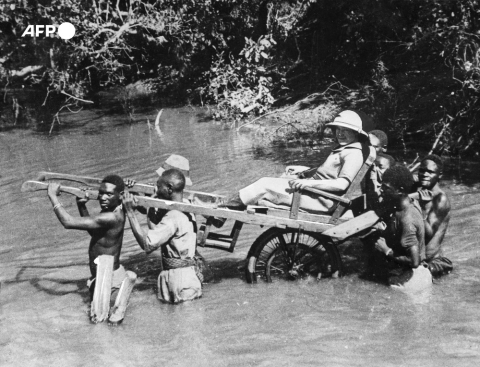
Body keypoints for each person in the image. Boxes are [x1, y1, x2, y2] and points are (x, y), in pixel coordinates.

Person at [222, 110, 371, 214]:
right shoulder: (344, 149)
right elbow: (327, 173)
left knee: (263, 184)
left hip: (321, 200)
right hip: (317, 194)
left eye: (345, 130)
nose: (340, 133)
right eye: (338, 129)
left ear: (356, 133)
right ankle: (234, 204)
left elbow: (342, 184)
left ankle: (223, 211)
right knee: (283, 176)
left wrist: (308, 183)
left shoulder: (354, 154)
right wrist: (303, 171)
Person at [46, 174, 136, 325]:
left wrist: (53, 196)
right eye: (101, 193)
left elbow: (68, 222)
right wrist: (81, 206)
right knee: (105, 323)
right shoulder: (114, 211)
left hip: (110, 279)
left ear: (120, 196)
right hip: (106, 276)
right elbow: (95, 233)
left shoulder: (110, 217)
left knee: (102, 325)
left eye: (108, 194)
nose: (102, 198)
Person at [125, 154, 212, 283]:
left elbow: (149, 240)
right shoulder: (176, 201)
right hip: (182, 262)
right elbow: (147, 209)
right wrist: (135, 191)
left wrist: (132, 211)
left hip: (184, 266)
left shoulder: (178, 209)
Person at [123, 169, 202, 304]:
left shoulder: (172, 218)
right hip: (181, 275)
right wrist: (137, 192)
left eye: (158, 186)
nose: (156, 189)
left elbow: (147, 244)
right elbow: (155, 219)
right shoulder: (186, 206)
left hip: (180, 279)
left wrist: (130, 213)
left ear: (169, 188)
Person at [373, 166, 432, 290]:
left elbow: (415, 261)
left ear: (400, 190)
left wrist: (386, 251)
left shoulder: (407, 219)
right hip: (415, 275)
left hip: (412, 280)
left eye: (385, 187)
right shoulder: (408, 202)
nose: (380, 190)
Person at [410, 154, 452, 277]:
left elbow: (427, 233)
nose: (425, 174)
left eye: (430, 172)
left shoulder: (440, 199)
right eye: (422, 170)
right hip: (416, 254)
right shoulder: (418, 188)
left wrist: (418, 206)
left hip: (431, 261)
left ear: (440, 175)